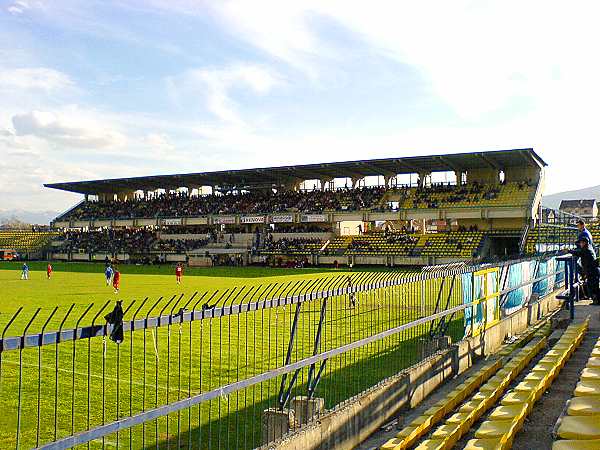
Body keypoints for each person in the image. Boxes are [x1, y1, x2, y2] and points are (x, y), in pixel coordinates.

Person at [572, 237, 600, 304]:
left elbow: (578, 253)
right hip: (592, 271)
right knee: (593, 287)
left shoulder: (586, 249)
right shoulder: (588, 247)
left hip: (592, 271)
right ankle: (596, 301)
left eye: (581, 243)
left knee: (593, 288)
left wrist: (569, 251)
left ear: (584, 243)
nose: (580, 244)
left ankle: (596, 301)